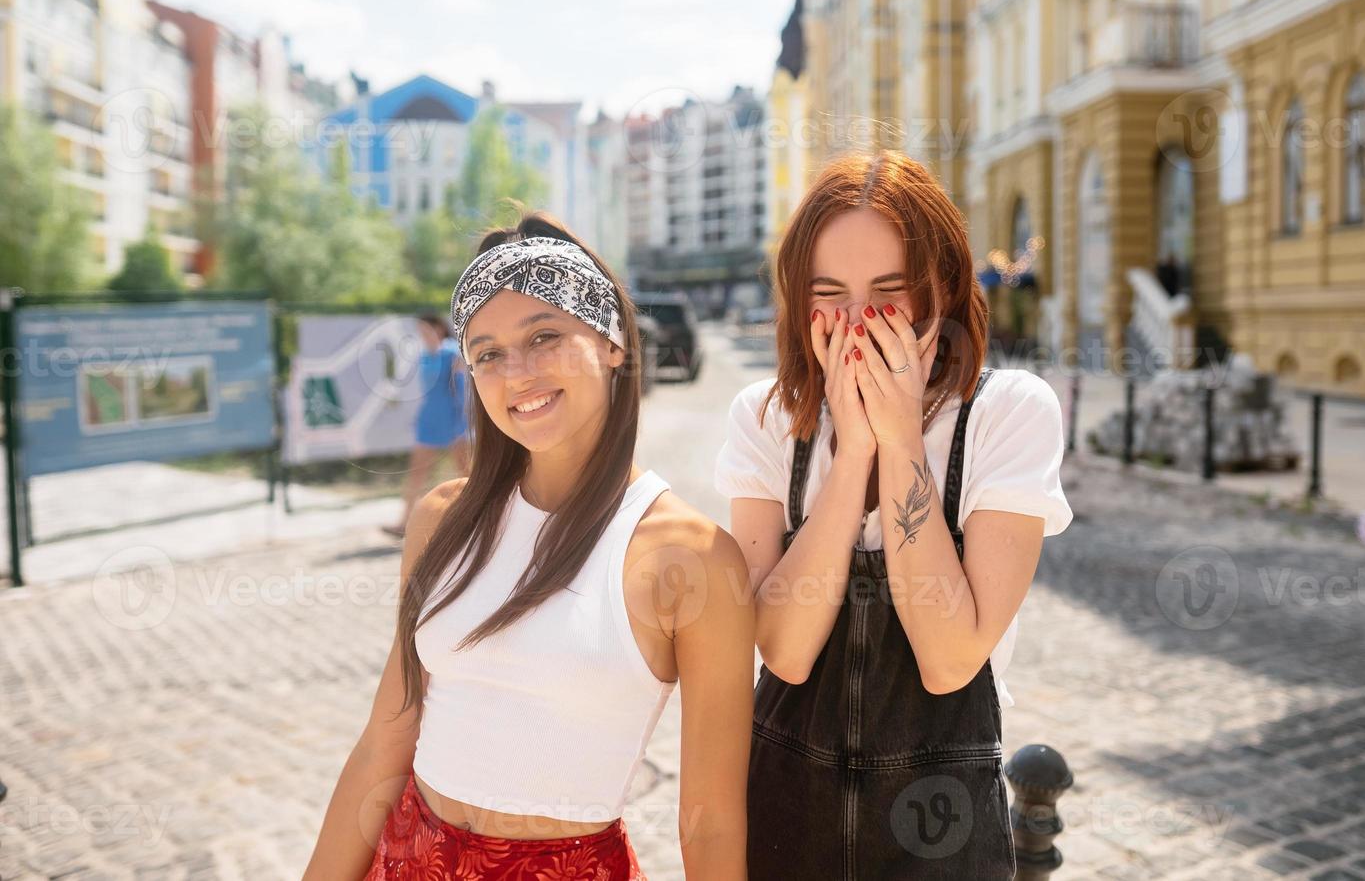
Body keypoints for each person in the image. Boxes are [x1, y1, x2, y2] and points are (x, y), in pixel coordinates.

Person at [307, 211, 754, 880]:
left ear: (613, 344)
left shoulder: (691, 559)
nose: (516, 373)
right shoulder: (441, 519)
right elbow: (384, 743)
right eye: (486, 353)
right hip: (405, 857)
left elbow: (711, 818)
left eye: (543, 336)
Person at [714, 150, 1074, 879]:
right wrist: (849, 461)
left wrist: (900, 439)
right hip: (785, 815)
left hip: (937, 828)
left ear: (938, 286)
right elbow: (781, 651)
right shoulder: (762, 418)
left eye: (886, 290)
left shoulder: (1006, 413)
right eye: (828, 293)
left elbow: (948, 660)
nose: (855, 322)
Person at [383, 314, 471, 539]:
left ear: (438, 329)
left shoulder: (452, 352)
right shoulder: (424, 357)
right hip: (428, 420)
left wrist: (461, 421)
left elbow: (461, 388)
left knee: (466, 472)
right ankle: (404, 523)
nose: (422, 334)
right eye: (420, 330)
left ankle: (477, 516)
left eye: (426, 329)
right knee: (416, 473)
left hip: (452, 420)